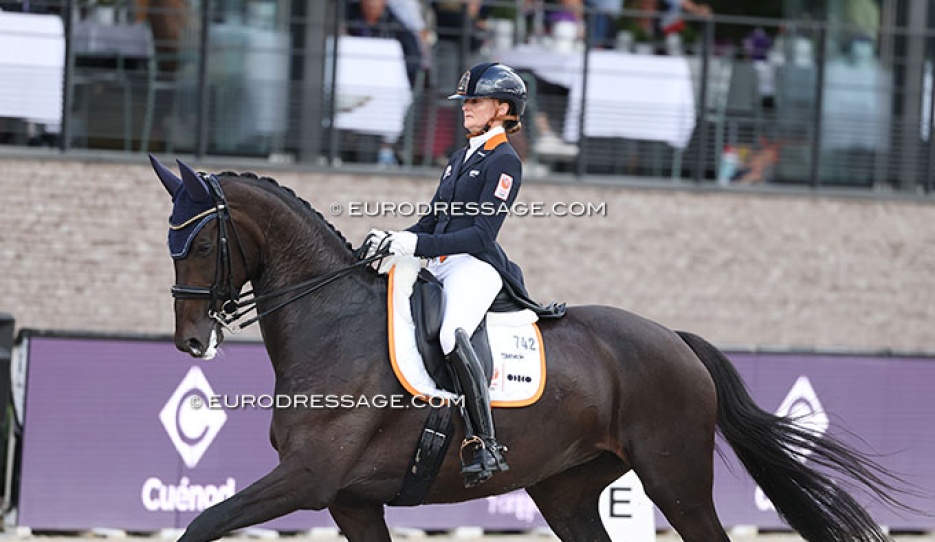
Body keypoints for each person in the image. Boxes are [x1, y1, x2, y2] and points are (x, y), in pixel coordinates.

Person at [379, 63, 529, 488]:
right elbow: (432, 220)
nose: (465, 108)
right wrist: (394, 239)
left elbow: (481, 234)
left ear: (502, 108)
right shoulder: (460, 157)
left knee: (450, 334)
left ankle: (484, 441)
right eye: (465, 100)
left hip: (476, 265)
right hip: (441, 260)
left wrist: (420, 247)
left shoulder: (504, 162)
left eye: (475, 101)